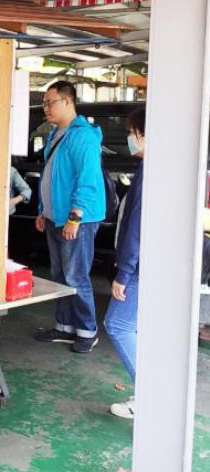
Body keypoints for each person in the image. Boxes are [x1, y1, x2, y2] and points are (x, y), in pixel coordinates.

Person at [34, 80, 106, 353]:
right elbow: (51, 176)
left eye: (50, 102)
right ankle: (64, 326)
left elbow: (87, 180)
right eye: (45, 104)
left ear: (67, 102)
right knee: (59, 275)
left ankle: (87, 331)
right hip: (55, 217)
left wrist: (75, 218)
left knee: (76, 276)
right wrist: (43, 211)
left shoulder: (83, 136)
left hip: (78, 220)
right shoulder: (55, 134)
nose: (46, 109)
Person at [104, 109, 145, 418]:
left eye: (132, 132)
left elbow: (136, 227)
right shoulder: (152, 167)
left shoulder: (151, 172)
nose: (129, 138)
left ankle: (149, 395)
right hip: (147, 265)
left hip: (140, 267)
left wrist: (125, 272)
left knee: (117, 324)